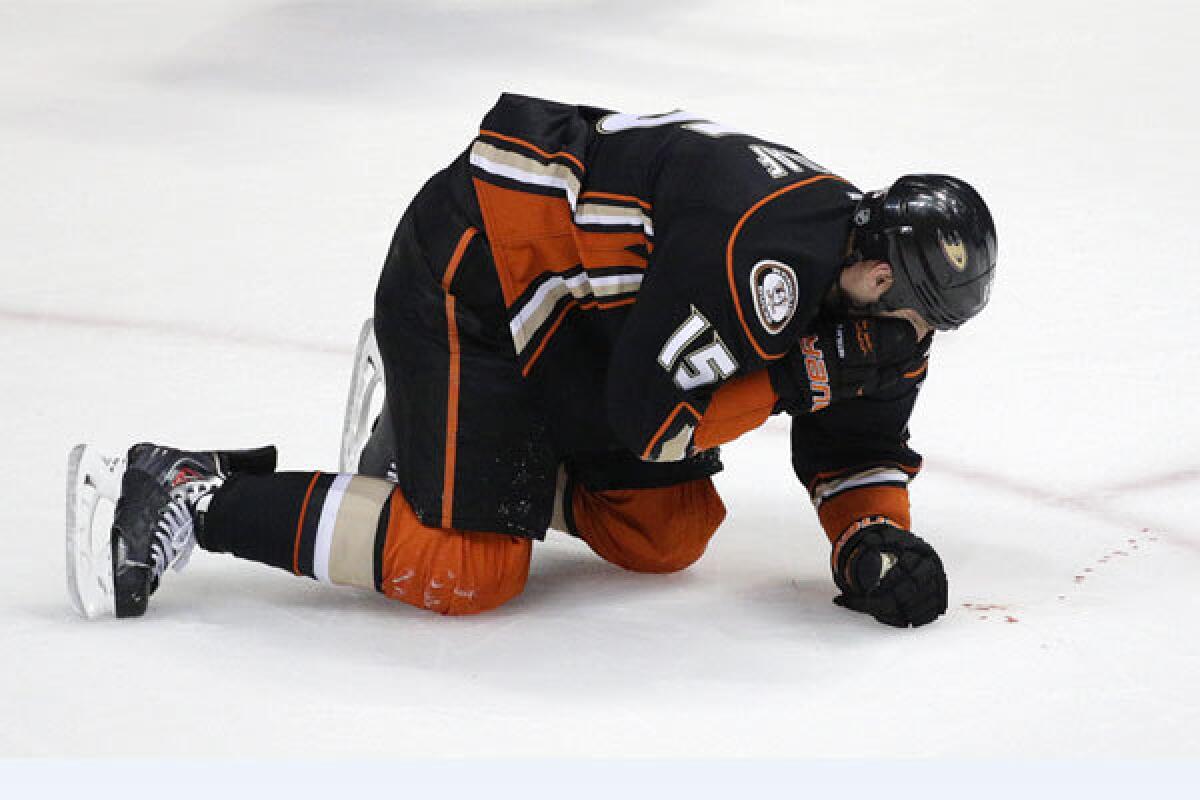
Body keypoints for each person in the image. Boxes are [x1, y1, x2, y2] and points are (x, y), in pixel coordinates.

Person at [66, 93, 996, 628]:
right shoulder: (767, 263)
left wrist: (872, 537)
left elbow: (853, 444)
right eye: (918, 316)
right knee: (470, 570)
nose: (919, 342)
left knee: (664, 534)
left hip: (588, 312)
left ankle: (444, 444)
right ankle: (182, 490)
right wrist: (796, 382)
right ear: (876, 269)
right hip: (477, 272)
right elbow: (652, 420)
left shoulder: (876, 301)